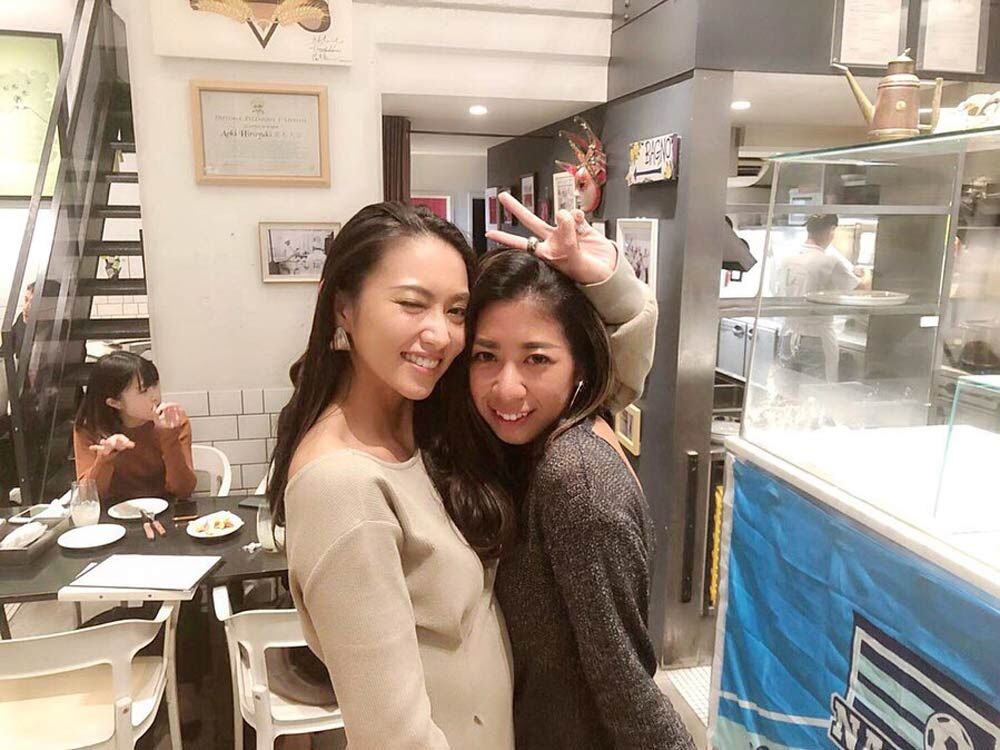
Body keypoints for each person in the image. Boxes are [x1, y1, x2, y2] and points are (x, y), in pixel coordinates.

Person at [269, 198, 654, 749]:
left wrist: (607, 282)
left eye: (455, 312)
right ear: (343, 308)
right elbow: (394, 739)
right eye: (411, 304)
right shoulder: (341, 487)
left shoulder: (433, 417)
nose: (439, 334)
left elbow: (600, 380)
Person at [438, 238, 693, 749]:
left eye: (537, 359)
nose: (507, 388)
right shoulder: (533, 442)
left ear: (580, 363)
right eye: (486, 356)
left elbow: (625, 685)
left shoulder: (574, 479)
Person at [73, 351, 196, 502]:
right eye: (143, 391)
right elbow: (87, 497)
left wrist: (168, 437)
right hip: (112, 511)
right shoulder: (90, 428)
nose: (155, 396)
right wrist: (105, 459)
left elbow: (183, 490)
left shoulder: (173, 422)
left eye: (155, 384)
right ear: (115, 403)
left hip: (167, 507)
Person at [774, 213, 860, 382]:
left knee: (787, 390)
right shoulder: (829, 261)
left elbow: (776, 292)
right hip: (816, 339)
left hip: (787, 335)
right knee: (817, 392)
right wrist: (863, 274)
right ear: (831, 230)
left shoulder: (786, 259)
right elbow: (858, 287)